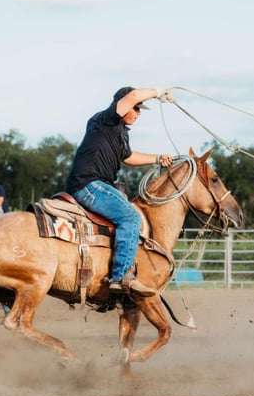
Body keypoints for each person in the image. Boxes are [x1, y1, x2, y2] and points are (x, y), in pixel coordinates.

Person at [65, 86, 176, 298]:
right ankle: (121, 276)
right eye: (136, 109)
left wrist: (158, 157)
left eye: (140, 109)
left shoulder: (120, 132)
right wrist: (158, 91)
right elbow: (133, 96)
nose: (138, 113)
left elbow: (128, 157)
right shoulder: (106, 119)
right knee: (131, 217)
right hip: (89, 183)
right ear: (123, 105)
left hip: (96, 184)